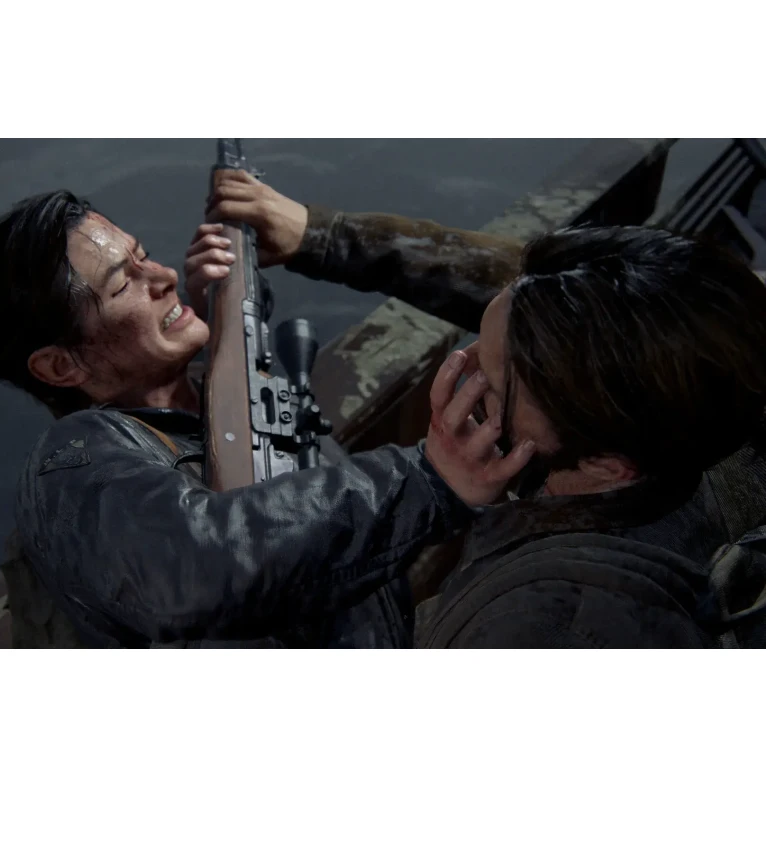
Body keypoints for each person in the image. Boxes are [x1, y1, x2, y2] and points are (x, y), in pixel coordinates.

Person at [191, 171, 766, 648]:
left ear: (607, 463)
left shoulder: (546, 627)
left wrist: (427, 486)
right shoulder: (685, 409)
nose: (461, 372)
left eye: (493, 380)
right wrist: (325, 236)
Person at [0, 191, 532, 649]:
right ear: (59, 366)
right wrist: (427, 480)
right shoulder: (70, 463)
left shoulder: (204, 395)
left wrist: (227, 327)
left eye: (143, 255)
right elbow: (193, 567)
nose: (163, 278)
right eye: (125, 283)